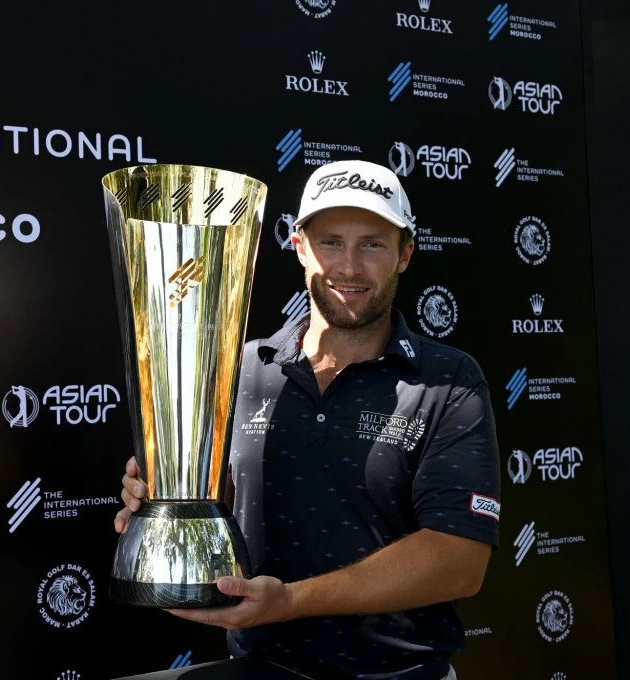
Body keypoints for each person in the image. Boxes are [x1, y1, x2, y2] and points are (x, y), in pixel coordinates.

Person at [114, 159, 501, 680]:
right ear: (298, 246)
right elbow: (223, 505)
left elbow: (459, 558)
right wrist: (167, 497)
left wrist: (289, 601)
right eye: (330, 241)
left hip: (398, 675)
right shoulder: (242, 367)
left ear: (405, 255)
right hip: (262, 666)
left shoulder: (448, 379)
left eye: (373, 244)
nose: (349, 266)